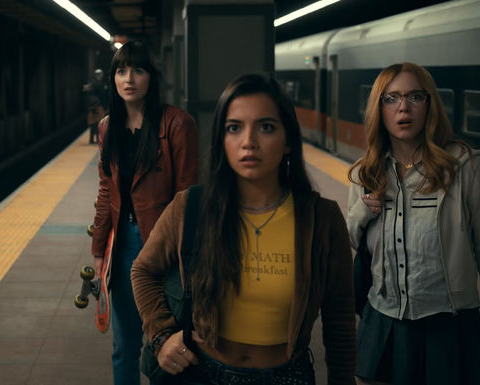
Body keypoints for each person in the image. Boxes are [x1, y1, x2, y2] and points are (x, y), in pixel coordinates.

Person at [131, 73, 356, 385]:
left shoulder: (322, 219)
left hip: (288, 376)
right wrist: (161, 336)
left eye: (266, 127)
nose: (248, 142)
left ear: (288, 140)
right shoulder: (191, 207)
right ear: (222, 141)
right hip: (203, 373)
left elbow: (340, 319)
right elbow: (143, 270)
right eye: (234, 128)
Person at [346, 62, 480, 385]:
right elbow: (351, 243)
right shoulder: (364, 173)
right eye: (391, 98)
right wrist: (361, 214)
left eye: (415, 97)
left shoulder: (465, 166)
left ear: (430, 105)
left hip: (450, 327)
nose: (403, 108)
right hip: (383, 323)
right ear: (378, 109)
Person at [92, 40, 198, 385]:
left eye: (138, 70)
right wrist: (98, 252)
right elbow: (106, 190)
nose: (129, 78)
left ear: (152, 78)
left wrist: (185, 255)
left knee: (165, 340)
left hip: (164, 247)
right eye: (121, 71)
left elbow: (187, 196)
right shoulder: (108, 127)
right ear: (113, 79)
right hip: (122, 245)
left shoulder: (177, 124)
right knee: (124, 344)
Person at [84, 68, 109, 144]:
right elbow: (102, 97)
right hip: (99, 106)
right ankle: (98, 139)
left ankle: (91, 139)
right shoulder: (100, 85)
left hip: (91, 107)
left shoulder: (90, 84)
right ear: (101, 75)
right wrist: (105, 107)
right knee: (99, 122)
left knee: (92, 123)